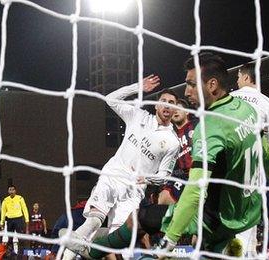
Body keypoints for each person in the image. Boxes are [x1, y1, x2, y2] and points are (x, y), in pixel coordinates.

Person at [152, 52, 269, 257]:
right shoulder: (248, 110)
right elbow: (267, 155)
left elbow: (195, 190)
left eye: (192, 84)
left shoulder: (209, 127)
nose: (186, 92)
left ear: (212, 85)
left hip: (223, 217)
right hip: (250, 210)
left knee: (145, 217)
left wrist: (169, 240)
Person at [62, 74, 180, 259]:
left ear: (174, 110)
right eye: (163, 101)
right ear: (156, 105)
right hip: (113, 173)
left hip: (135, 190)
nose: (167, 105)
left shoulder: (173, 142)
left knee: (117, 243)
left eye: (171, 103)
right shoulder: (138, 115)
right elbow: (110, 99)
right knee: (93, 221)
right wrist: (138, 87)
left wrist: (146, 178)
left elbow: (165, 176)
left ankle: (85, 244)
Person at [230, 63, 269, 257]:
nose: (237, 80)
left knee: (235, 215)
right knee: (250, 215)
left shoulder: (230, 99)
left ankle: (239, 254)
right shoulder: (266, 101)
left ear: (246, 77)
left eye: (238, 76)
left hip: (231, 163)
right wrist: (257, 137)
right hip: (256, 164)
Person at [0, 185, 29, 255]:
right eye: (10, 190)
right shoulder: (5, 200)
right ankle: (10, 254)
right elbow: (3, 211)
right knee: (10, 238)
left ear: (15, 191)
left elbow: (24, 209)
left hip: (19, 219)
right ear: (8, 191)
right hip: (9, 220)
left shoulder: (20, 198)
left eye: (13, 190)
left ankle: (21, 254)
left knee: (21, 238)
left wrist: (27, 220)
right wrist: (2, 222)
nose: (11, 191)